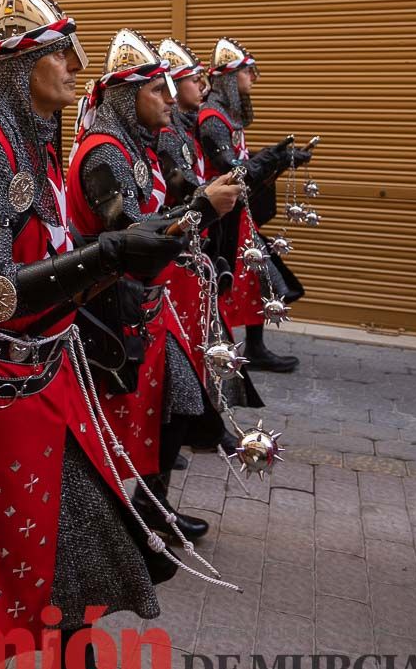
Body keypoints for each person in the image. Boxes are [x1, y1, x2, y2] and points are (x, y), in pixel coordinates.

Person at [0, 0, 224, 669]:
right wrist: (107, 258)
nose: (75, 65)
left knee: (78, 521)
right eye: (58, 52)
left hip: (47, 377)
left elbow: (53, 258)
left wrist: (129, 251)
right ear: (18, 63)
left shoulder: (35, 143)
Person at [66, 29, 241, 550]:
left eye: (171, 88)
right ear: (126, 96)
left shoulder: (133, 147)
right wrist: (203, 208)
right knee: (113, 427)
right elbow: (134, 238)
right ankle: (115, 523)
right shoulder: (104, 156)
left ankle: (150, 507)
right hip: (112, 313)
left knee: (180, 407)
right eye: (157, 90)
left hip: (146, 305)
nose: (169, 98)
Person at [155, 38, 264, 420]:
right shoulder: (173, 133)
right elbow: (182, 190)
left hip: (197, 240)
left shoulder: (182, 129)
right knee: (183, 343)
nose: (201, 86)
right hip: (176, 251)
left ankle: (196, 419)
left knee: (203, 336)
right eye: (191, 79)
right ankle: (180, 428)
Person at [197, 38, 311, 373]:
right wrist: (273, 158)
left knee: (258, 279)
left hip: (236, 210)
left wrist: (282, 159)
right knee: (228, 280)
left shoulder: (227, 116)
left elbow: (245, 162)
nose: (253, 78)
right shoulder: (212, 118)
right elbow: (234, 168)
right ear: (230, 77)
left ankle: (256, 348)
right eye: (247, 71)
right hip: (219, 215)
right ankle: (221, 347)